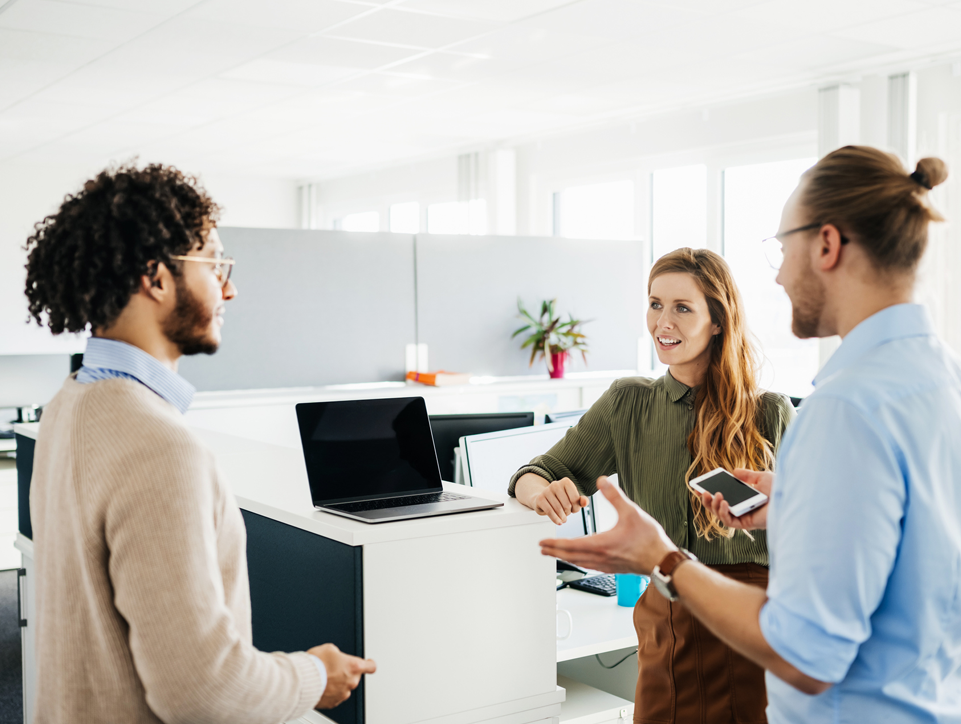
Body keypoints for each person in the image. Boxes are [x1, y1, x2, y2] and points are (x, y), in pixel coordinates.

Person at [541, 147, 961, 723]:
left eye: (783, 249)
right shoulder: (941, 379)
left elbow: (808, 651)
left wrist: (662, 560)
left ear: (827, 246)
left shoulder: (844, 406)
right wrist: (791, 504)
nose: (780, 274)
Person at [23, 163, 376, 723]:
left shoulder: (69, 405)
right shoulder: (159, 447)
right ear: (156, 277)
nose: (229, 288)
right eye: (215, 264)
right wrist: (314, 676)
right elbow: (200, 693)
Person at [510, 248, 795, 722]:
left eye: (683, 307)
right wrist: (541, 491)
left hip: (748, 621)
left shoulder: (770, 412)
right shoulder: (628, 403)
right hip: (666, 621)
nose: (664, 321)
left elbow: (810, 532)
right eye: (655, 303)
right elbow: (535, 471)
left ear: (718, 320)